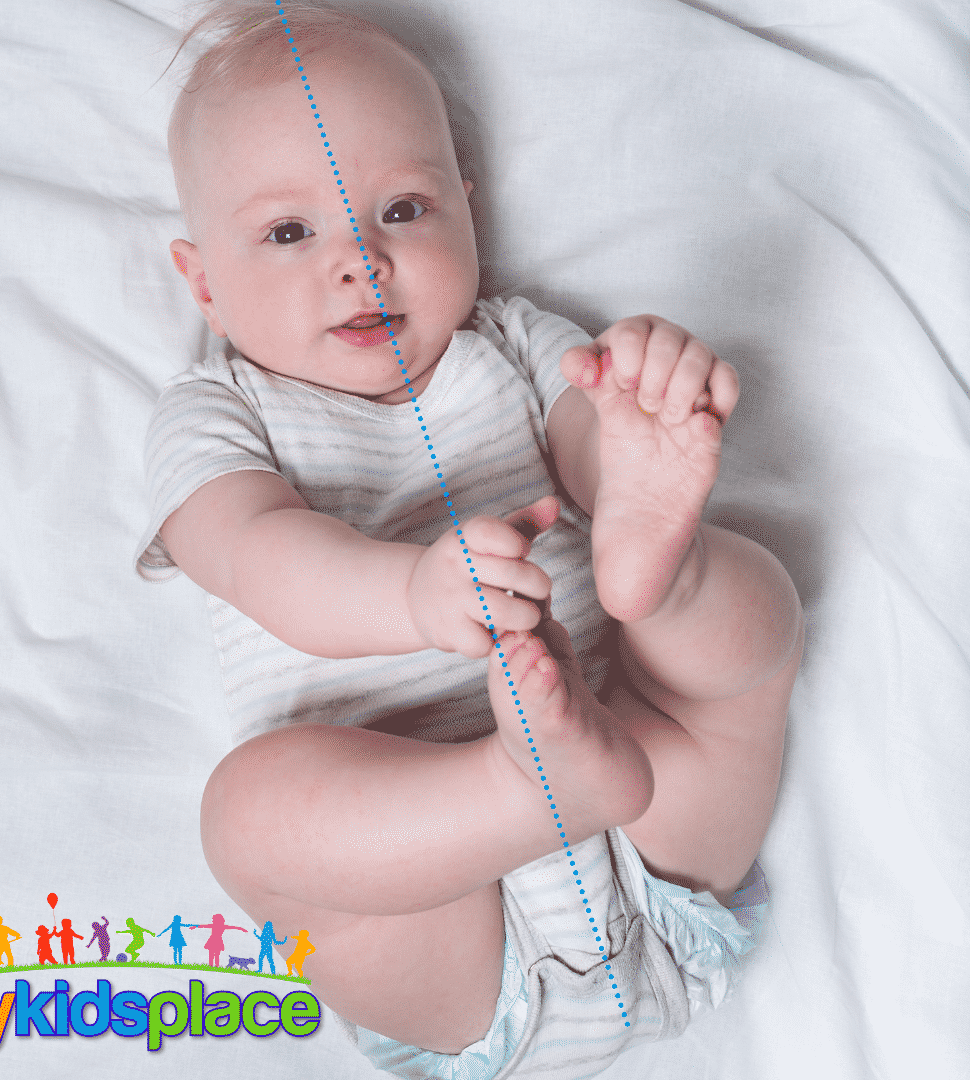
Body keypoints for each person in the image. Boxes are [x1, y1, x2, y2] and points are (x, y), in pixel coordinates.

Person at [136, 4, 803, 1076]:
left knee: (747, 614)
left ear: (467, 215)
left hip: (656, 836)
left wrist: (628, 433)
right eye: (289, 232)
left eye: (401, 209)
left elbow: (582, 431)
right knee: (250, 816)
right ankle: (511, 792)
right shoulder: (215, 413)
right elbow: (252, 553)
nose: (360, 260)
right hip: (450, 945)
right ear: (203, 278)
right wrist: (409, 597)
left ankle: (658, 584)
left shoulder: (513, 339)